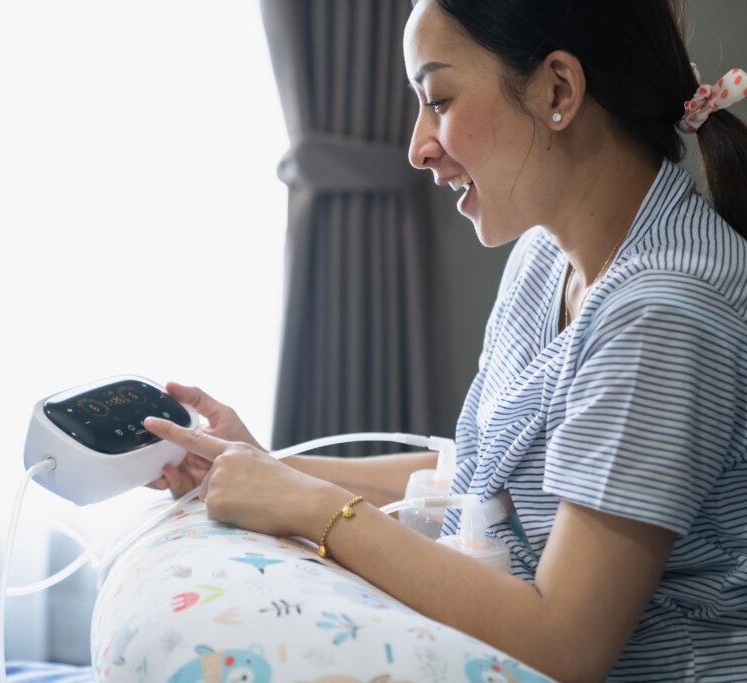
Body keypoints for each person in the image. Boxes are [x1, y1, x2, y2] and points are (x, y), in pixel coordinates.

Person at [145, 0, 747, 680]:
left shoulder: (664, 314)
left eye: (438, 99)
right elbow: (479, 481)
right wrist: (267, 468)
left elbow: (566, 642)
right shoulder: (545, 258)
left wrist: (314, 509)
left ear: (558, 90)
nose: (417, 146)